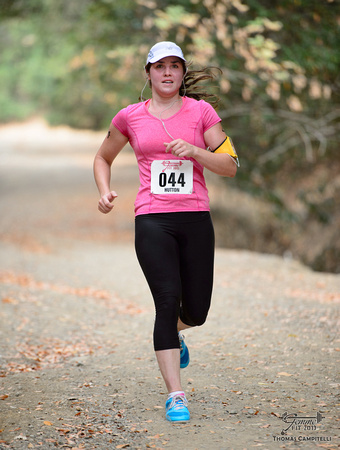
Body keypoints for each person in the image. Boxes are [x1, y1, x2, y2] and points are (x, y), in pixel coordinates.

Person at [93, 41, 238, 423]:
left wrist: (195, 152)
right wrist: (104, 190)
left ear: (182, 72)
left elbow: (230, 165)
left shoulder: (202, 113)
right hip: (152, 218)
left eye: (175, 66)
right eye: (160, 67)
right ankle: (176, 395)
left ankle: (176, 333)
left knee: (197, 310)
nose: (168, 73)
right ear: (149, 73)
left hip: (195, 218)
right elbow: (103, 157)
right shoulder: (130, 116)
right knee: (165, 301)